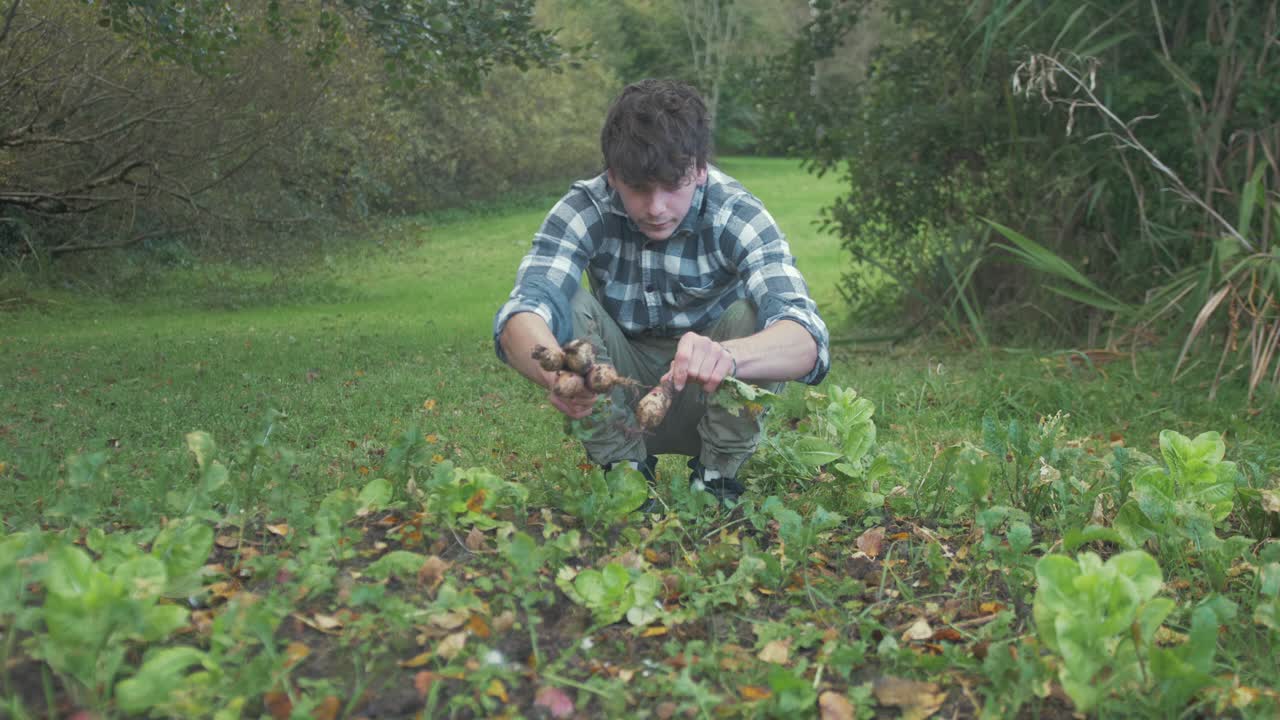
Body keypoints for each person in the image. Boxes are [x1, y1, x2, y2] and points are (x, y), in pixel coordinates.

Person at [493, 78, 829, 506]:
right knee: (568, 306)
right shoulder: (585, 207)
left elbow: (806, 337)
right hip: (618, 388)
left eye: (674, 185)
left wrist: (729, 356)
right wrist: (556, 375)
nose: (656, 208)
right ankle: (624, 472)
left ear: (700, 168)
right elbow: (523, 310)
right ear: (613, 176)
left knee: (753, 317)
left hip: (710, 392)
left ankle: (716, 478)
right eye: (638, 188)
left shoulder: (737, 213)